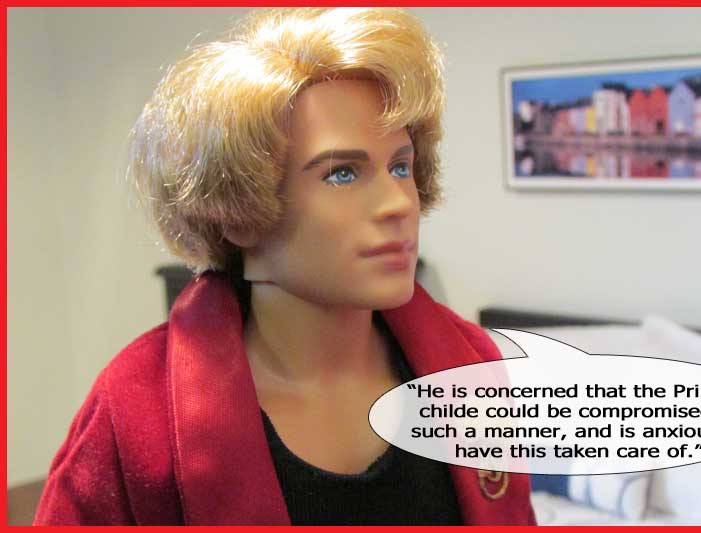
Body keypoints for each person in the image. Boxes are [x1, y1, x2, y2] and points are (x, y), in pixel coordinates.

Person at [33, 8, 536, 525]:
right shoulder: (137, 411)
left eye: (400, 166)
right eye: (342, 174)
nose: (398, 204)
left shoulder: (472, 367)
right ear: (237, 211)